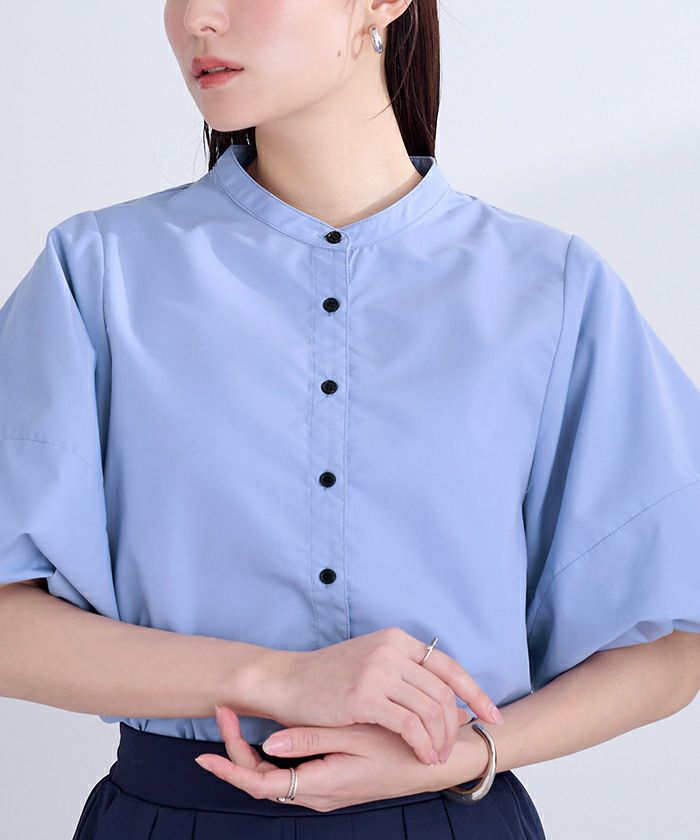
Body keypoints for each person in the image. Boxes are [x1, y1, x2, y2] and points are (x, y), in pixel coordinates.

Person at [1, 1, 699, 838]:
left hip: (452, 817)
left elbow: (671, 644)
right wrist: (273, 679)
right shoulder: (96, 272)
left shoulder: (551, 287)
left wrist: (462, 754)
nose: (198, 20)